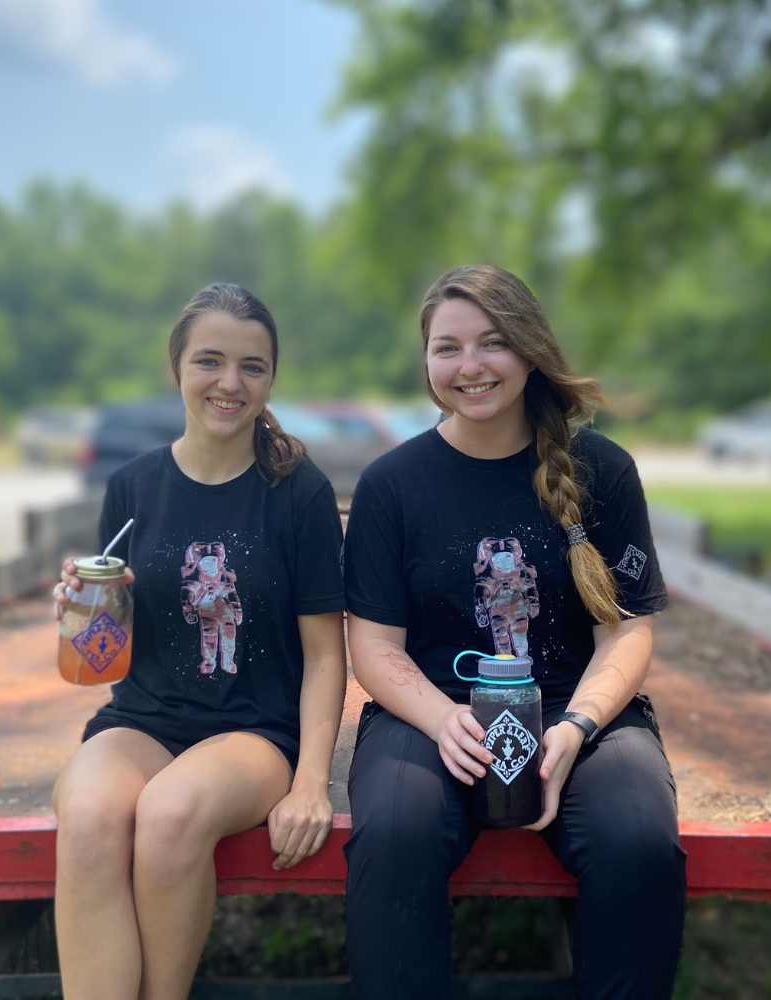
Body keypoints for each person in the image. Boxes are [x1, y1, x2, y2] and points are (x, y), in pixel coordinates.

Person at [342, 265, 686, 1000]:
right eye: (446, 347)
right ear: (427, 361)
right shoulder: (391, 484)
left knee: (637, 840)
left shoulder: (601, 469)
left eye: (492, 342)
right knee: (396, 835)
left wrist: (575, 728)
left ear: (530, 349)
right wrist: (444, 722)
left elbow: (626, 633)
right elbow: (372, 647)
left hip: (575, 708)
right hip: (433, 713)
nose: (469, 366)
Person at [52, 284, 347, 1000]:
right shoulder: (133, 487)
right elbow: (102, 663)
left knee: (171, 812)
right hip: (143, 719)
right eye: (210, 360)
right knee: (89, 815)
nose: (230, 382)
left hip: (252, 730)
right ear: (176, 367)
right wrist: (84, 614)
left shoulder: (298, 492)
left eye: (253, 366)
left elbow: (325, 654)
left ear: (270, 379)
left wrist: (311, 780)